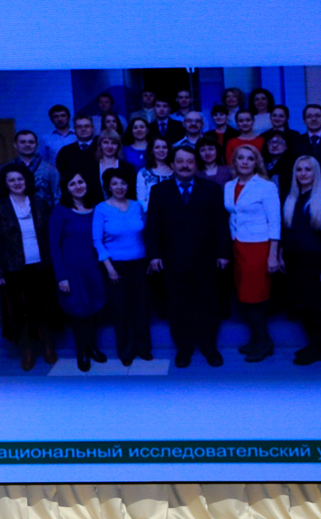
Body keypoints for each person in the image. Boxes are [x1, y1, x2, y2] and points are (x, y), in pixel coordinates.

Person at [145, 146, 231, 368]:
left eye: (189, 161)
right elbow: (152, 226)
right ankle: (184, 348)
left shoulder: (211, 189)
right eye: (180, 161)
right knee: (178, 306)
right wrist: (154, 255)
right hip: (172, 260)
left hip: (206, 260)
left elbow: (221, 224)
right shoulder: (159, 190)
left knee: (208, 305)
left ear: (195, 164)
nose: (185, 165)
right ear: (172, 165)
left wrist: (223, 253)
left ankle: (209, 347)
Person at [0, 164, 58, 370]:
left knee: (43, 308)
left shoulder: (40, 203)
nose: (17, 183)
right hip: (13, 268)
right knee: (20, 312)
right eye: (12, 180)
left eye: (20, 179)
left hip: (41, 265)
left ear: (26, 181)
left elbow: (50, 236)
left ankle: (48, 346)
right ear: (6, 184)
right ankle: (28, 351)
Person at [224, 145, 282, 362]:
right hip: (238, 245)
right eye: (241, 158)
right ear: (235, 162)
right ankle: (256, 339)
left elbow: (274, 221)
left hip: (258, 247)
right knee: (243, 296)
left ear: (256, 162)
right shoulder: (229, 185)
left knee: (254, 297)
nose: (245, 162)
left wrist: (273, 254)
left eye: (250, 158)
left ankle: (265, 342)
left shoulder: (266, 186)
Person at [93, 166, 152, 365]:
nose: (119, 187)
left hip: (139, 265)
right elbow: (97, 241)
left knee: (141, 309)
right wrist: (109, 268)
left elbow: (145, 234)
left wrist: (149, 259)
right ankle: (126, 351)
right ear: (109, 187)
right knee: (121, 310)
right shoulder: (101, 208)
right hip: (115, 267)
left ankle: (143, 348)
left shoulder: (136, 206)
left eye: (123, 183)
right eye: (115, 183)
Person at [50, 173, 106, 371]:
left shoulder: (97, 208)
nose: (78, 186)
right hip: (72, 271)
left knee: (93, 309)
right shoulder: (60, 211)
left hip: (94, 268)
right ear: (66, 188)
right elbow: (54, 246)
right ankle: (82, 351)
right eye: (72, 183)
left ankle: (93, 347)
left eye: (81, 181)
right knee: (78, 311)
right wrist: (61, 276)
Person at [280, 156, 321, 365]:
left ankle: (317, 348)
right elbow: (287, 230)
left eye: (308, 169)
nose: (303, 173)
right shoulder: (292, 198)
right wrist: (281, 253)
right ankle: (314, 344)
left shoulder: (319, 198)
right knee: (302, 305)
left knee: (315, 306)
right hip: (294, 258)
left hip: (314, 260)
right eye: (299, 170)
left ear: (315, 173)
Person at [11, 129, 61, 207]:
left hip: (46, 213)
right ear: (15, 145)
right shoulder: (7, 169)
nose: (27, 145)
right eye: (23, 142)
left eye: (31, 142)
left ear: (37, 145)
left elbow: (57, 197)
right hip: (17, 212)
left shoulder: (50, 169)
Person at [55, 113, 98, 179]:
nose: (83, 129)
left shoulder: (101, 149)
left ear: (92, 128)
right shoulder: (65, 152)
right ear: (74, 129)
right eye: (79, 127)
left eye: (87, 126)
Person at [136, 137, 174, 212]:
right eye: (157, 147)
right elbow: (141, 199)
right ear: (151, 150)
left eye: (164, 147)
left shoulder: (176, 171)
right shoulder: (143, 173)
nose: (161, 150)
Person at [261, 130, 297, 199]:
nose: (274, 145)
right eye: (271, 142)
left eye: (279, 141)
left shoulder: (294, 165)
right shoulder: (261, 165)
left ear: (286, 145)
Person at [94, 129, 123, 197]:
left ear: (118, 146)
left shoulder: (127, 168)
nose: (110, 146)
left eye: (113, 143)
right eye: (106, 142)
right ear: (100, 145)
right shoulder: (91, 167)